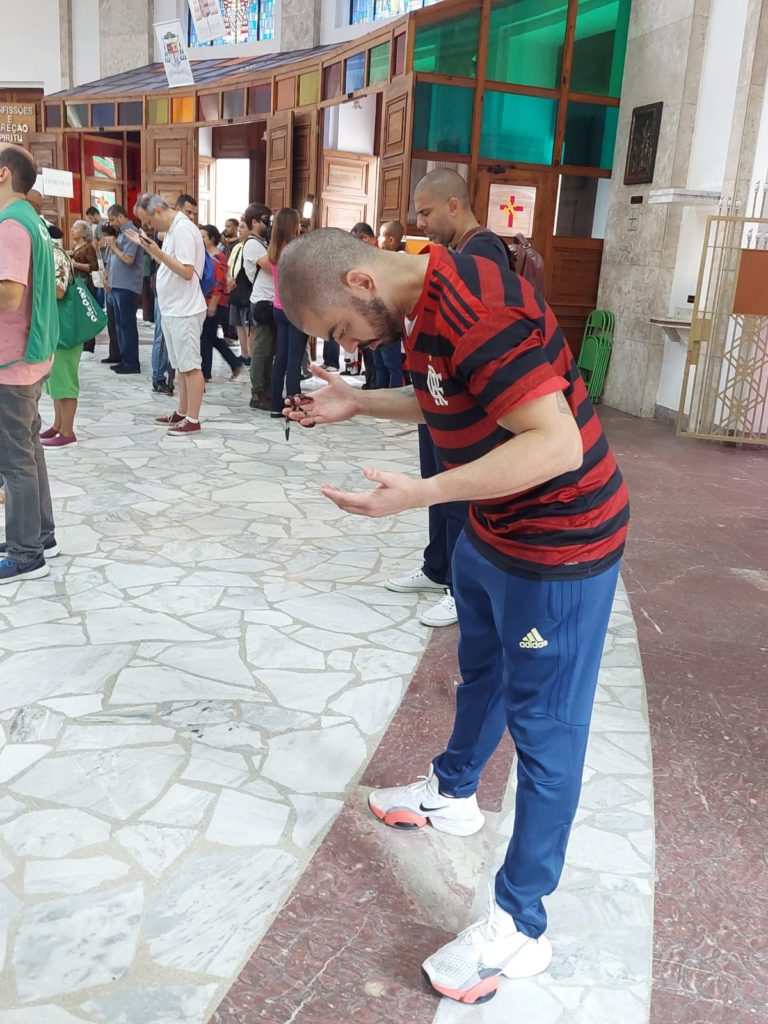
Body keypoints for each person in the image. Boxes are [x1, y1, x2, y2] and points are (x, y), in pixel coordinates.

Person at [277, 228, 630, 1005]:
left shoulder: (476, 310)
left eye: (338, 331)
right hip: (495, 530)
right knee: (481, 666)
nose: (345, 345)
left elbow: (556, 443)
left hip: (561, 542)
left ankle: (521, 926)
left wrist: (424, 494)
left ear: (362, 281)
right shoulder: (420, 306)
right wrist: (357, 403)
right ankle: (456, 791)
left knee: (546, 735)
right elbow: (445, 395)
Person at [388, 169, 514, 628]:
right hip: (438, 391)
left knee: (461, 494)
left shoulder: (482, 249)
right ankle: (437, 566)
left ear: (454, 206)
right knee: (436, 485)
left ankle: (463, 590)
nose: (420, 222)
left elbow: (472, 323)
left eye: (426, 212)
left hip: (465, 400)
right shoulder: (456, 251)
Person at [0, 144, 59, 584]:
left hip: (11, 359)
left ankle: (25, 552)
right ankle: (40, 532)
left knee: (14, 456)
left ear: (3, 175)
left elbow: (10, 293)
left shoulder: (10, 226)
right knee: (30, 448)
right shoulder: (33, 221)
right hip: (32, 354)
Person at [136, 193, 207, 436]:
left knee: (190, 366)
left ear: (157, 211)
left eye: (148, 221)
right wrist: (151, 248)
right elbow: (169, 264)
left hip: (185, 309)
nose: (148, 227)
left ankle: (193, 418)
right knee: (179, 365)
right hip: (173, 308)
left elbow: (187, 272)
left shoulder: (184, 230)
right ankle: (182, 410)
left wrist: (158, 251)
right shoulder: (173, 230)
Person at [258, 208, 302, 418]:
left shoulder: (273, 250)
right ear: (293, 225)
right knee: (294, 358)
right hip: (296, 309)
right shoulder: (296, 250)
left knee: (281, 357)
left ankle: (276, 405)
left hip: (279, 308)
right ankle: (293, 404)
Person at [41, 245, 82, 448]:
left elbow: (59, 290)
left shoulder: (55, 255)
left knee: (65, 379)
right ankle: (58, 425)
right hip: (56, 326)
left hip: (64, 328)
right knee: (56, 380)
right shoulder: (49, 253)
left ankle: (68, 430)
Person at [199, 223, 243, 382]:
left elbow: (219, 283)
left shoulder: (218, 257)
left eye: (203, 236)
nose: (200, 238)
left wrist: (213, 303)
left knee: (206, 337)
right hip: (204, 301)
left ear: (211, 239)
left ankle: (207, 371)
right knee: (209, 337)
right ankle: (233, 364)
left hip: (215, 302)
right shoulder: (204, 255)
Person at [105, 203, 143, 374]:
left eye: (113, 219)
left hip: (127, 286)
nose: (111, 223)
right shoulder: (120, 234)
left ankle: (132, 362)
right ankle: (123, 358)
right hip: (117, 285)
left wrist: (113, 247)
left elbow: (128, 259)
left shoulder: (131, 233)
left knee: (127, 325)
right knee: (119, 324)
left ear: (121, 216)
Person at [243, 203, 274, 409]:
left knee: (270, 350)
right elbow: (272, 266)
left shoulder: (262, 242)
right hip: (262, 301)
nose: (268, 225)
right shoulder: (253, 244)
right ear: (254, 222)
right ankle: (257, 393)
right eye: (265, 220)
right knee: (262, 350)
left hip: (269, 300)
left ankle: (267, 389)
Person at [67, 219, 99, 355]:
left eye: (76, 228)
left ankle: (88, 346)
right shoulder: (75, 246)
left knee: (86, 312)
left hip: (85, 283)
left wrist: (75, 264)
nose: (72, 230)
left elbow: (94, 266)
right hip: (75, 282)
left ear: (84, 232)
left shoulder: (88, 247)